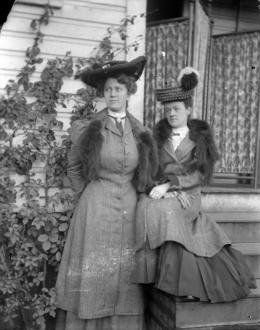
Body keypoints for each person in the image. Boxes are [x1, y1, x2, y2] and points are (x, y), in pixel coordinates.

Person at [133, 67, 256, 303]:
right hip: (164, 191)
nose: (171, 114)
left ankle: (183, 282)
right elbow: (149, 170)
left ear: (188, 110)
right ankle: (152, 277)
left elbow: (202, 173)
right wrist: (161, 188)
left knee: (167, 212)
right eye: (168, 110)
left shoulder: (200, 137)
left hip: (189, 194)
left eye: (176, 109)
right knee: (149, 206)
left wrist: (173, 186)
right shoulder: (156, 137)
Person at [55, 56, 158, 330]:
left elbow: (145, 174)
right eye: (109, 89)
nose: (113, 94)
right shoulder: (90, 127)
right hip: (96, 209)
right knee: (95, 272)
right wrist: (88, 196)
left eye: (119, 89)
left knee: (124, 274)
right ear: (103, 93)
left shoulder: (140, 131)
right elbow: (74, 168)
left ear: (128, 92)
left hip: (129, 208)